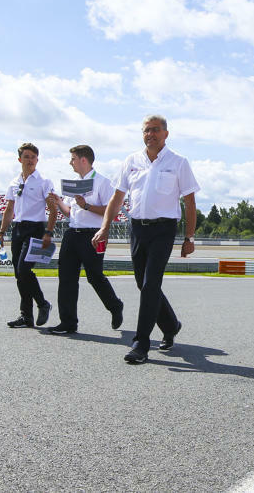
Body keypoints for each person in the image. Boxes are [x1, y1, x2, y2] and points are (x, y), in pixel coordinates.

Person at [93, 115, 200, 365]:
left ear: (165, 133)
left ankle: (141, 343)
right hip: (137, 229)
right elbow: (117, 197)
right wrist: (105, 226)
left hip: (163, 229)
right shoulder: (131, 161)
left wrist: (189, 237)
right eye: (146, 130)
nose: (150, 134)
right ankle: (171, 325)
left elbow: (190, 202)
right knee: (143, 284)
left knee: (151, 284)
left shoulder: (178, 162)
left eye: (155, 130)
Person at [46, 145, 124, 335]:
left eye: (72, 158)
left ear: (83, 160)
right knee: (66, 278)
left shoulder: (103, 182)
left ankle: (115, 306)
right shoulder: (74, 184)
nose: (70, 162)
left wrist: (87, 205)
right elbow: (71, 213)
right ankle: (68, 322)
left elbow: (112, 211)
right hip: (73, 233)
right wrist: (58, 202)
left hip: (94, 234)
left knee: (95, 276)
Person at [0, 143, 57, 328]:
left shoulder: (44, 181)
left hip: (36, 229)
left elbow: (53, 210)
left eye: (33, 157)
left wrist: (48, 232)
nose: (30, 160)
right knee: (19, 274)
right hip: (18, 229)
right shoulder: (14, 182)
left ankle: (43, 304)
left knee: (24, 270)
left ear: (37, 159)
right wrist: (1, 234)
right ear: (20, 159)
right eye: (27, 156)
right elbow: (9, 209)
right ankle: (26, 316)